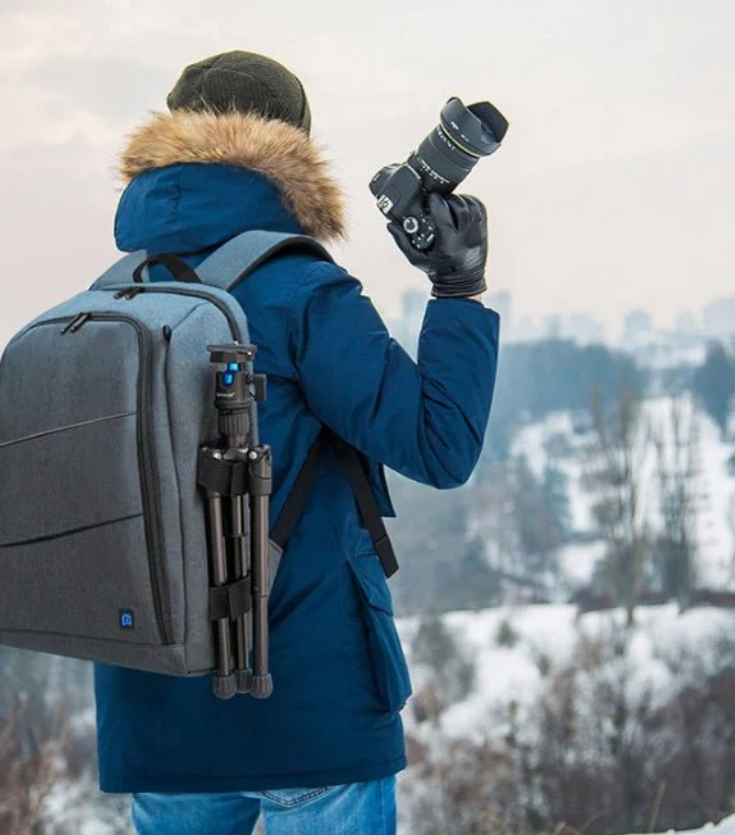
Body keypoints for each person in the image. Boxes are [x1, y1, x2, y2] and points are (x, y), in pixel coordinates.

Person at [94, 50, 501, 835]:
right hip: (311, 707)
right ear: (294, 153)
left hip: (154, 710)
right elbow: (440, 443)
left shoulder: (115, 295)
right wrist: (458, 288)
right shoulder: (301, 289)